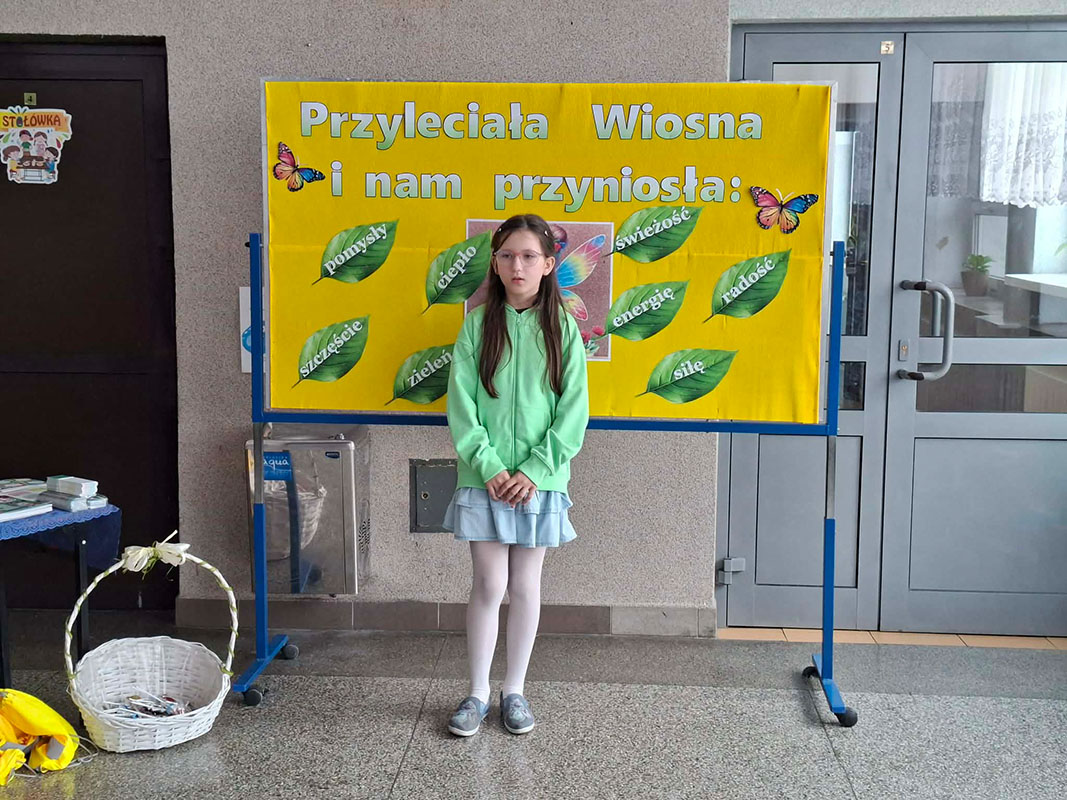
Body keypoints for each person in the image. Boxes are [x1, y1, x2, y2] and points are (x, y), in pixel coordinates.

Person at [443, 213, 589, 737]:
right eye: (507, 256)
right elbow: (461, 406)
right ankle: (477, 693)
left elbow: (574, 412)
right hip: (483, 478)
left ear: (549, 264)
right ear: (496, 263)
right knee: (489, 583)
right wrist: (489, 467)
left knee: (525, 586)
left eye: (529, 256)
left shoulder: (563, 328)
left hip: (539, 481)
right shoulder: (477, 325)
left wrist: (532, 470)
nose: (517, 266)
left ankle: (514, 691)